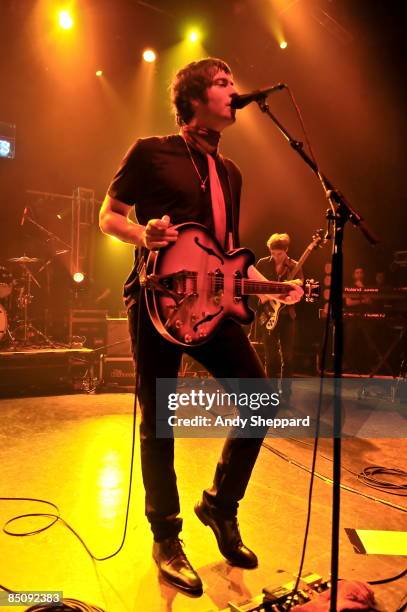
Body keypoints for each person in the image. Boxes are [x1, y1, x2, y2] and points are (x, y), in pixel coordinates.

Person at [99, 58, 302, 596]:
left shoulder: (231, 172)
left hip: (214, 306)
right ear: (193, 97)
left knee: (262, 400)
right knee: (159, 420)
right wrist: (143, 234)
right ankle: (166, 537)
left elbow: (227, 252)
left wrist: (272, 284)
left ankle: (219, 505)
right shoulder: (150, 151)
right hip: (157, 302)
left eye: (234, 81)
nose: (234, 90)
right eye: (222, 83)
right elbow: (108, 215)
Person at [256, 233, 303, 403]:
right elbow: (255, 287)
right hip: (267, 314)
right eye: (273, 253)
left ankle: (286, 395)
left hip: (287, 316)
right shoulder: (262, 263)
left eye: (279, 254)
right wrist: (266, 297)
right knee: (271, 356)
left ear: (286, 250)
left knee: (288, 357)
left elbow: (299, 290)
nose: (275, 257)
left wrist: (291, 292)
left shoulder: (295, 267)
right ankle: (271, 395)